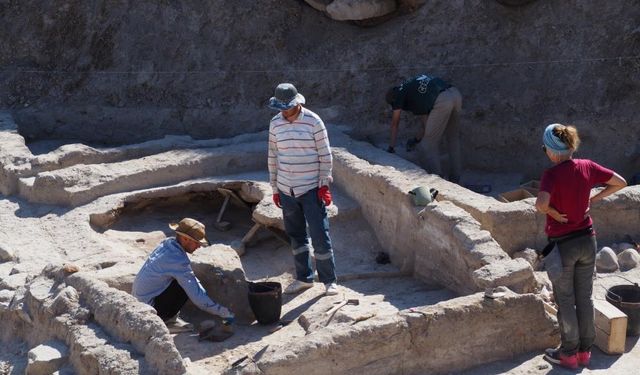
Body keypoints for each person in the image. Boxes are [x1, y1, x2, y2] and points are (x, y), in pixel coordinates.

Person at [535, 123, 626, 369]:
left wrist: (554, 212)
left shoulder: (551, 175)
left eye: (545, 148)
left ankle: (567, 353)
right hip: (588, 239)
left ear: (552, 152)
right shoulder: (587, 166)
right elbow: (620, 182)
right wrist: (593, 198)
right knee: (584, 297)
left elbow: (540, 204)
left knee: (565, 300)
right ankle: (585, 352)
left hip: (563, 245)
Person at [267, 82, 339, 296]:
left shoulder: (313, 121)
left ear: (297, 103)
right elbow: (273, 156)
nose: (284, 111)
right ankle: (304, 278)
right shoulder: (275, 124)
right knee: (296, 235)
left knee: (319, 234)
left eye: (287, 106)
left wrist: (323, 184)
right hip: (286, 188)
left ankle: (329, 281)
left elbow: (325, 155)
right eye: (281, 107)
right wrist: (274, 187)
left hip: (310, 188)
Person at [132, 218, 234, 331]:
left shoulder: (168, 243)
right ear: (185, 239)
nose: (199, 246)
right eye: (197, 242)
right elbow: (196, 295)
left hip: (139, 302)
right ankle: (165, 320)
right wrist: (224, 312)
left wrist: (203, 292)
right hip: (149, 311)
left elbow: (193, 280)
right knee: (184, 286)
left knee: (186, 280)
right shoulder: (177, 260)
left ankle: (169, 317)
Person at [385, 73, 462, 182]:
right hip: (455, 94)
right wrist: (416, 140)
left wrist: (391, 148)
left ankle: (439, 180)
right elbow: (427, 125)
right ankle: (456, 178)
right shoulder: (412, 89)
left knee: (428, 144)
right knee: (452, 138)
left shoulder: (398, 95)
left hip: (443, 100)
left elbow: (395, 123)